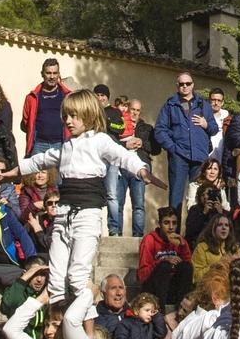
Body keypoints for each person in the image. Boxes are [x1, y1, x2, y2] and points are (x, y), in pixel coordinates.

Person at [14, 89, 157, 302]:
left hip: (87, 213)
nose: (68, 121)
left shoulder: (100, 140)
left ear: (88, 115)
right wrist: (12, 171)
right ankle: (59, 320)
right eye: (66, 117)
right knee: (56, 279)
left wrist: (141, 169)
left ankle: (84, 325)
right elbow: (39, 160)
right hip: (64, 214)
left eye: (74, 116)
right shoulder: (66, 147)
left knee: (77, 276)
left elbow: (123, 155)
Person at [156, 73, 219, 211]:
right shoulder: (170, 105)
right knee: (176, 198)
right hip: (179, 156)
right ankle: (174, 231)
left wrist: (205, 124)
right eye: (181, 84)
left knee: (200, 196)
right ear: (177, 86)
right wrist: (172, 148)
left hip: (199, 156)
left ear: (193, 85)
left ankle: (195, 232)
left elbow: (214, 129)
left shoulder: (204, 105)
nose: (185, 86)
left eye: (188, 84)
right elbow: (160, 130)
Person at [106, 95, 152, 238]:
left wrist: (142, 143)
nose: (134, 113)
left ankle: (138, 236)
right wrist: (125, 144)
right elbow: (110, 142)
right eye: (132, 109)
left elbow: (155, 148)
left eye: (138, 110)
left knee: (138, 205)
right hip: (120, 167)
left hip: (139, 168)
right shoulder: (119, 123)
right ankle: (116, 233)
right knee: (117, 202)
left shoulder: (146, 128)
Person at [140, 208, 195, 306]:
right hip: (154, 288)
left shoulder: (180, 241)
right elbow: (142, 275)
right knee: (165, 265)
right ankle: (160, 311)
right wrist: (162, 261)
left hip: (172, 288)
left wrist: (183, 247)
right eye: (166, 223)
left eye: (174, 223)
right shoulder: (149, 240)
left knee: (186, 267)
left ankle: (181, 309)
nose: (171, 227)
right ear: (159, 224)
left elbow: (189, 268)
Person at [21, 58, 69, 154]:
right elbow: (26, 123)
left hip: (61, 144)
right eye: (48, 73)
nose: (52, 76)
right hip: (38, 145)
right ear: (42, 74)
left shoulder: (67, 96)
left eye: (55, 73)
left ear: (59, 74)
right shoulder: (31, 98)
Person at [194, 213, 240, 287]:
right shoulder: (202, 247)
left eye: (226, 225)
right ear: (213, 228)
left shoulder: (235, 247)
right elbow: (196, 277)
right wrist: (216, 266)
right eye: (220, 225)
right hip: (210, 288)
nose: (224, 228)